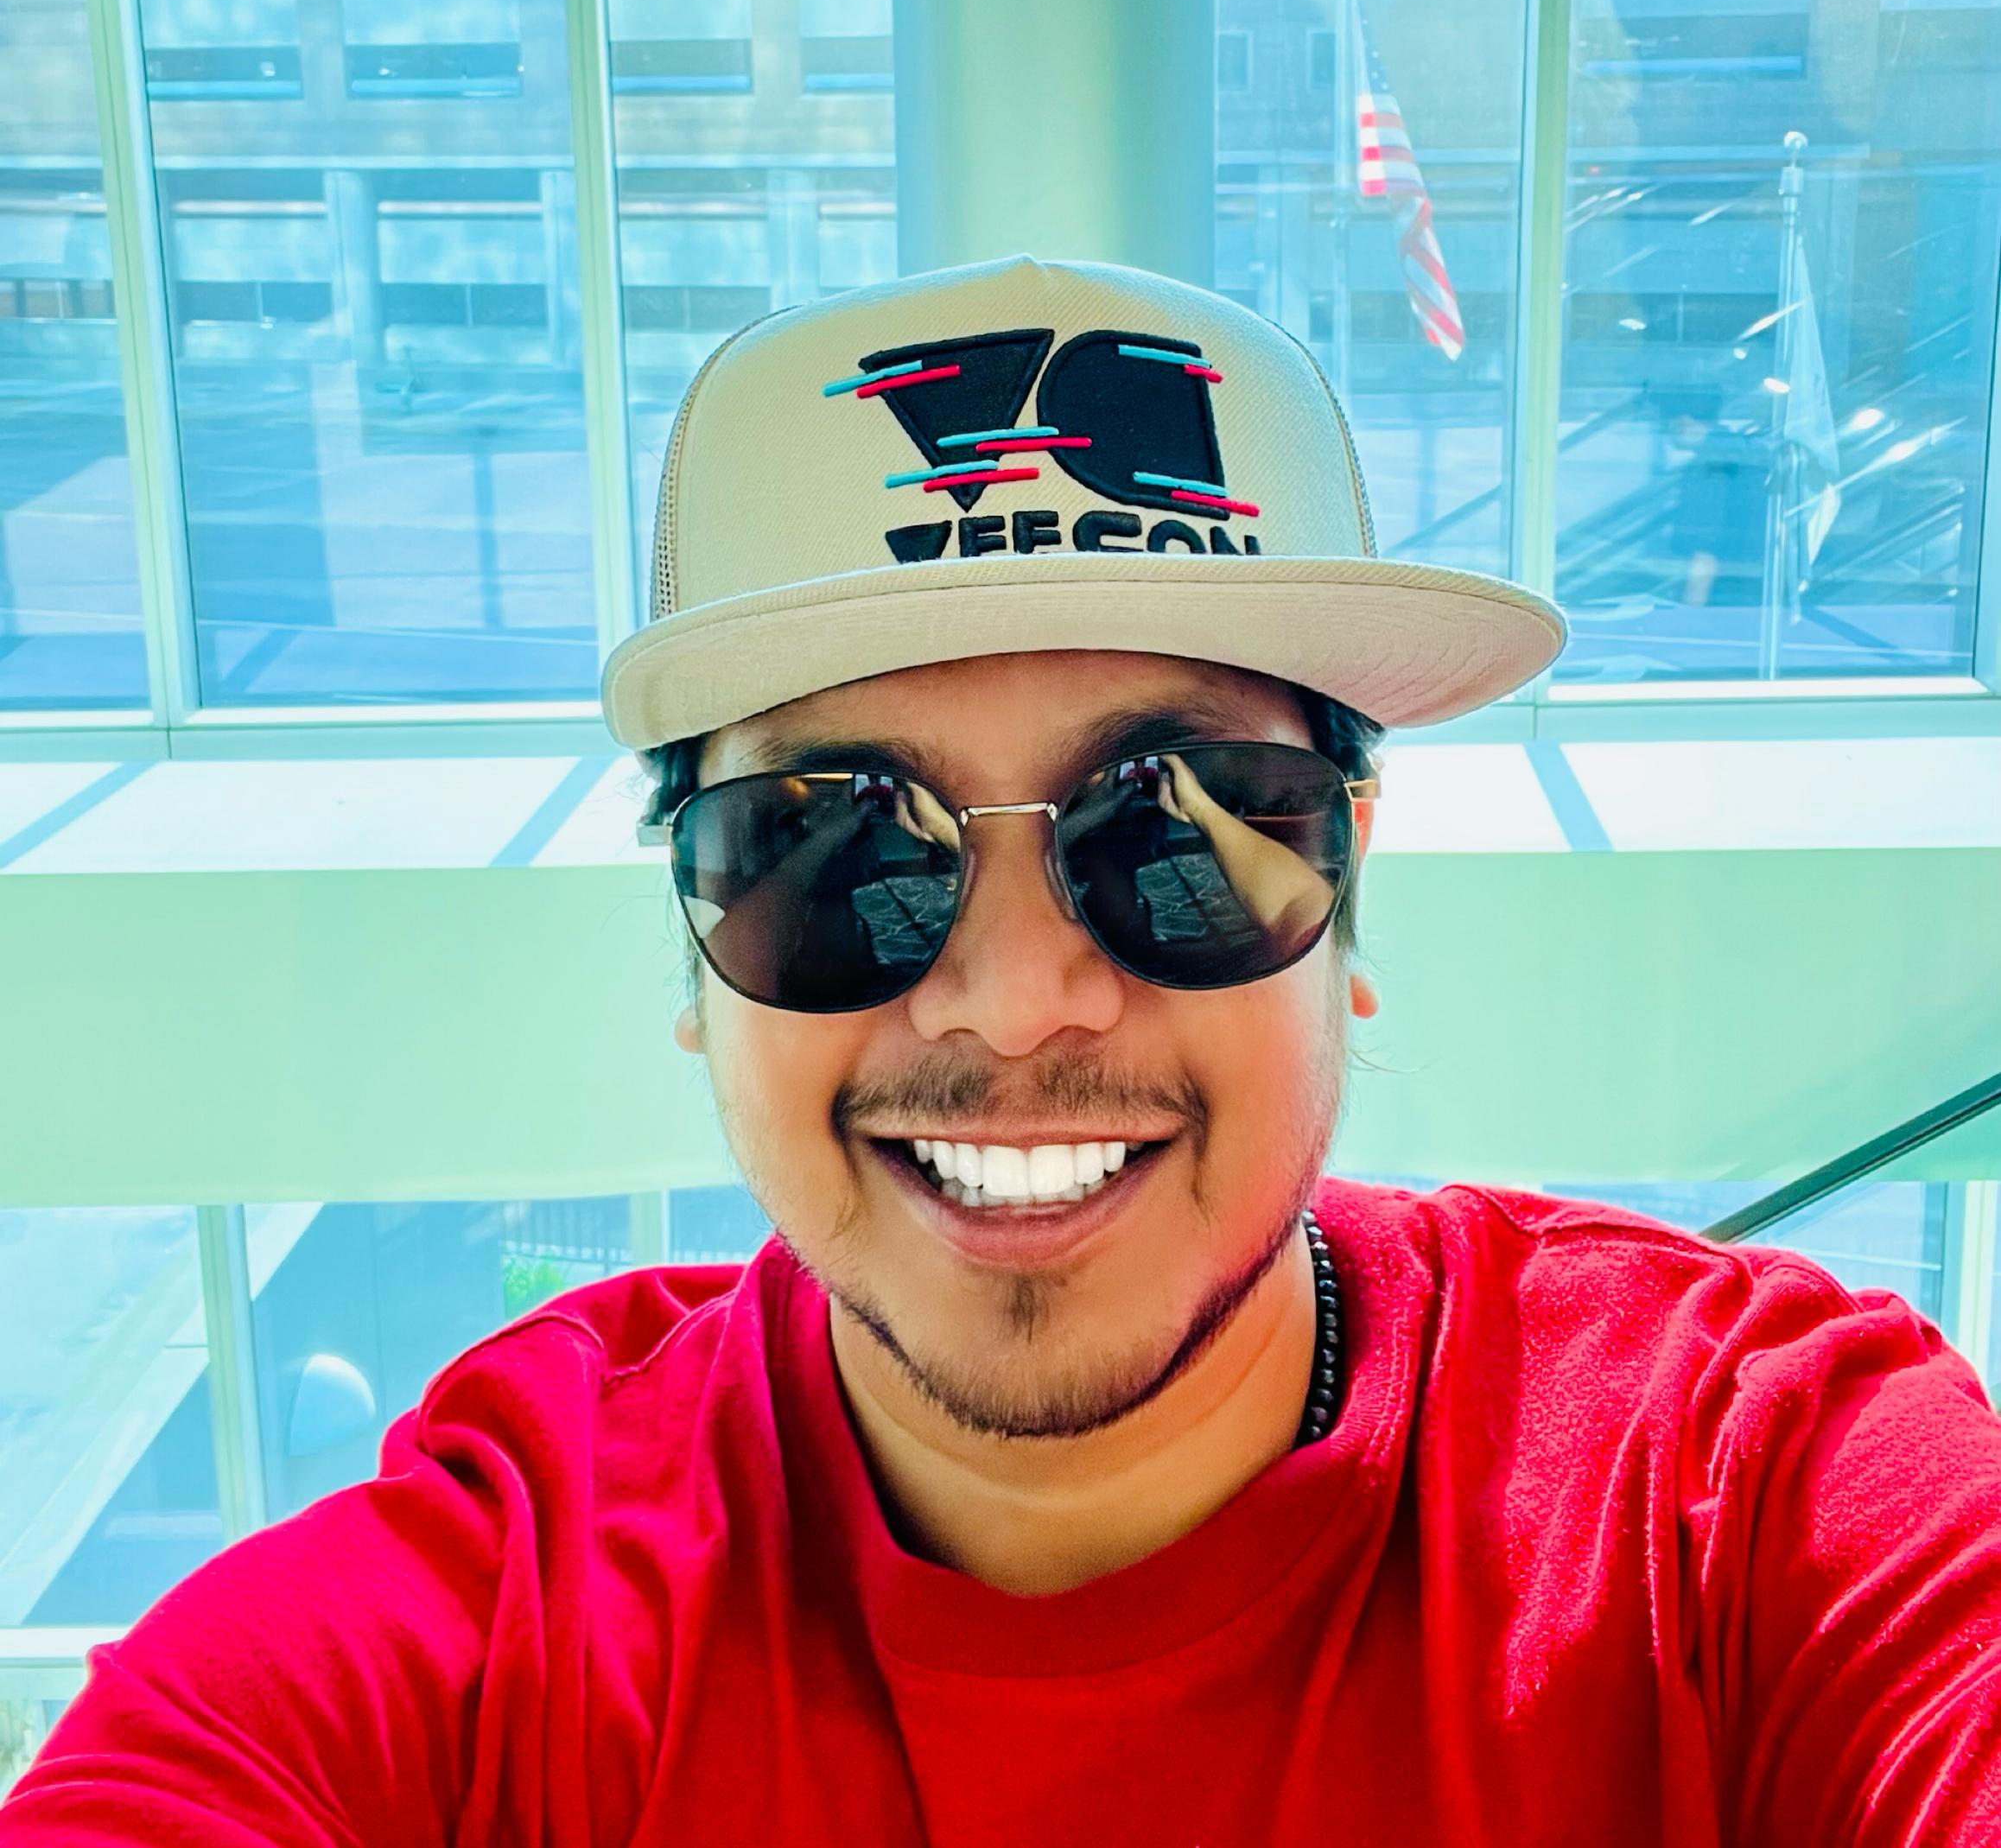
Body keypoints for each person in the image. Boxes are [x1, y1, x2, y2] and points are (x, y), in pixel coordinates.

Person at [6, 256, 1998, 1845]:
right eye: (835, 848)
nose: (1014, 998)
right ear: (696, 953)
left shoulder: (1752, 1498)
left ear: (1350, 891)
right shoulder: (483, 1632)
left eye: (1179, 822)